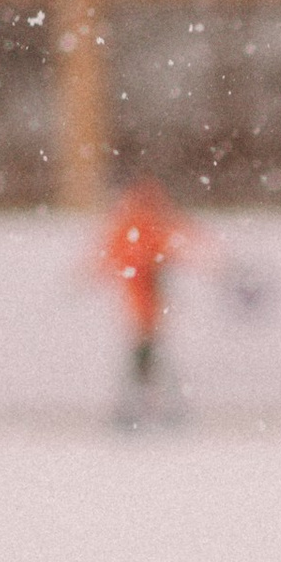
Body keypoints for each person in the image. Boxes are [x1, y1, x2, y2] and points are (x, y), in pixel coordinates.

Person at [95, 179, 198, 423]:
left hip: (147, 302)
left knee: (146, 353)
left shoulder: (138, 227)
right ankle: (146, 407)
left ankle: (144, 406)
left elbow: (164, 252)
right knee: (145, 352)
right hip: (144, 303)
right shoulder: (142, 227)